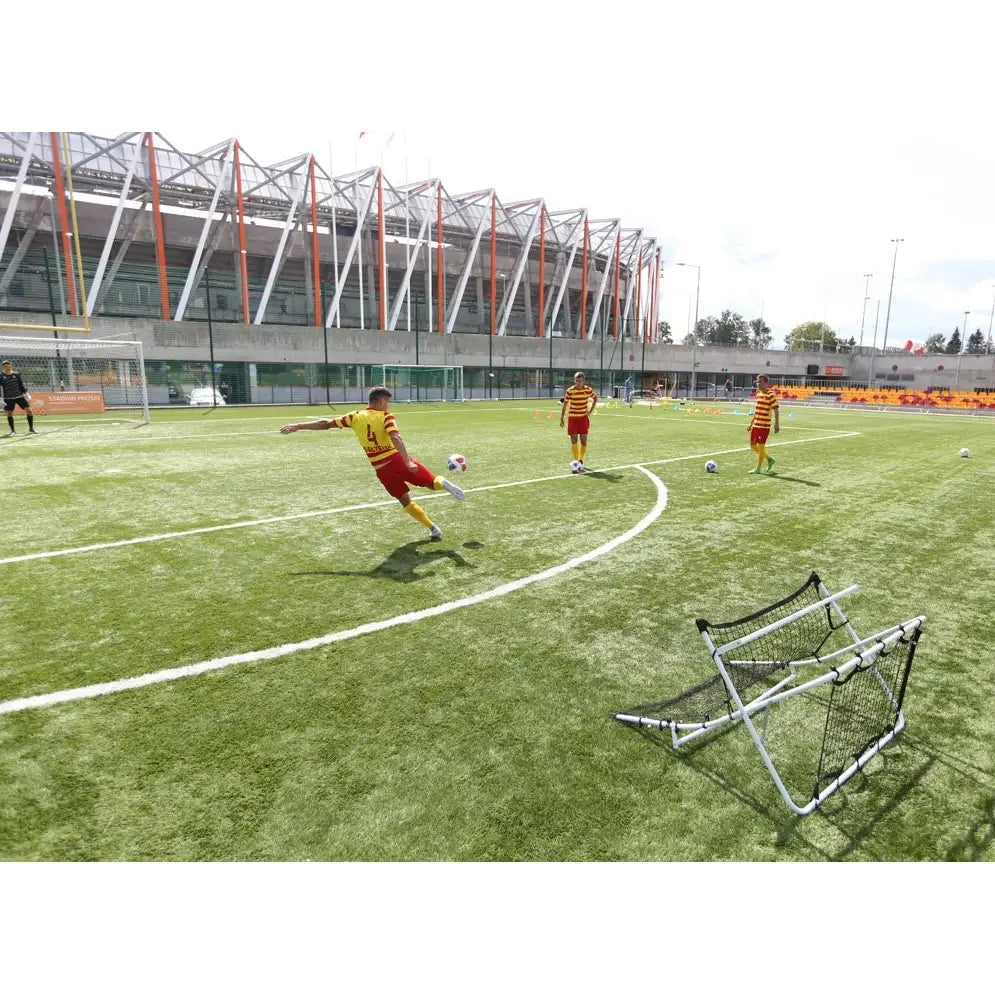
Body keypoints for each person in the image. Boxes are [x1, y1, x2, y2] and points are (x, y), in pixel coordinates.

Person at [280, 386, 465, 539]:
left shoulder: (354, 416)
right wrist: (407, 462)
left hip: (381, 469)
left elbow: (325, 423)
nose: (388, 406)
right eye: (388, 402)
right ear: (382, 401)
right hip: (397, 460)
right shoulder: (386, 417)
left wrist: (298, 426)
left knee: (405, 500)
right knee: (432, 484)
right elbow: (396, 438)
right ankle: (444, 484)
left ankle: (433, 528)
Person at [560, 371, 598, 472]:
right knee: (573, 440)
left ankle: (580, 460)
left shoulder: (588, 390)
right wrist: (561, 418)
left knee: (583, 441)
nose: (578, 383)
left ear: (583, 381)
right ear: (574, 380)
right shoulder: (570, 391)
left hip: (583, 418)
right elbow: (565, 404)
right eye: (576, 381)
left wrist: (590, 410)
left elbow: (595, 398)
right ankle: (577, 461)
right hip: (572, 418)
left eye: (580, 381)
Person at [747, 374, 779, 473]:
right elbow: (756, 411)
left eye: (760, 382)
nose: (758, 384)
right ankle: (769, 459)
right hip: (756, 424)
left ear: (766, 383)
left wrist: (777, 424)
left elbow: (776, 410)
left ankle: (758, 469)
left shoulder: (771, 394)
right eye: (757, 382)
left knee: (761, 447)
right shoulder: (759, 394)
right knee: (752, 445)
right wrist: (751, 423)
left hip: (764, 426)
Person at [1, 360, 38, 436]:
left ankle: (31, 429)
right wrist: (0, 398)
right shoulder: (1, 376)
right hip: (8, 398)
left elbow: (21, 385)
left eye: (8, 366)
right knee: (10, 413)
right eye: (5, 366)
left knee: (29, 411)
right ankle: (12, 430)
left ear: (11, 366)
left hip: (19, 396)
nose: (7, 367)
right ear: (3, 367)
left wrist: (27, 394)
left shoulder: (16, 374)